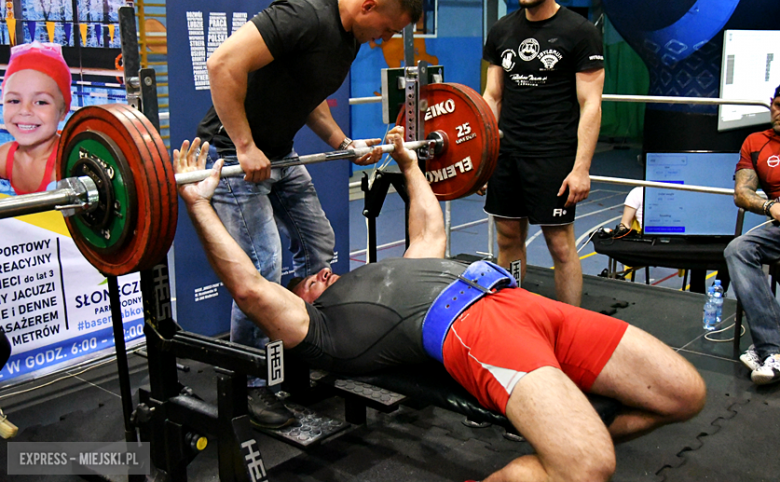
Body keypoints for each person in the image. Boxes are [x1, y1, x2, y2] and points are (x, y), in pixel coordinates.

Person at [175, 133, 706, 482]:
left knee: (685, 394)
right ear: (300, 303)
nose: (320, 273)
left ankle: (555, 431)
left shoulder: (392, 271)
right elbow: (248, 287)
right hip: (473, 328)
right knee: (588, 466)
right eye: (308, 280)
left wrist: (408, 162)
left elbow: (430, 228)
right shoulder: (319, 329)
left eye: (319, 269)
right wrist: (199, 205)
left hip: (523, 303)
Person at [194, 0, 422, 427]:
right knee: (262, 272)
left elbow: (308, 94)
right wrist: (243, 144)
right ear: (369, 7)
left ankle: (295, 351)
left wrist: (342, 142)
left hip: (279, 155)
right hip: (233, 157)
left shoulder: (350, 36)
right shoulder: (304, 14)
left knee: (319, 250)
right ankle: (253, 383)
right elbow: (222, 64)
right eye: (388, 30)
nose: (384, 40)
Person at [481, 0, 605, 306]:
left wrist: (581, 168)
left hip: (553, 155)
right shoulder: (502, 30)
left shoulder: (580, 32)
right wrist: (485, 157)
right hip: (507, 155)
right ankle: (514, 313)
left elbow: (591, 104)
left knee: (561, 246)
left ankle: (570, 327)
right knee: (507, 239)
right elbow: (493, 96)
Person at [724, 84, 780, 386]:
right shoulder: (755, 142)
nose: (779, 112)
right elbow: (742, 193)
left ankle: (767, 348)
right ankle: (774, 349)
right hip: (778, 223)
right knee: (738, 249)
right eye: (778, 104)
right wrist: (771, 206)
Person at [0, 42, 71, 195]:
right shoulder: (7, 156)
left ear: (63, 111)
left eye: (41, 102)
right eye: (14, 101)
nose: (25, 111)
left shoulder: (65, 163)